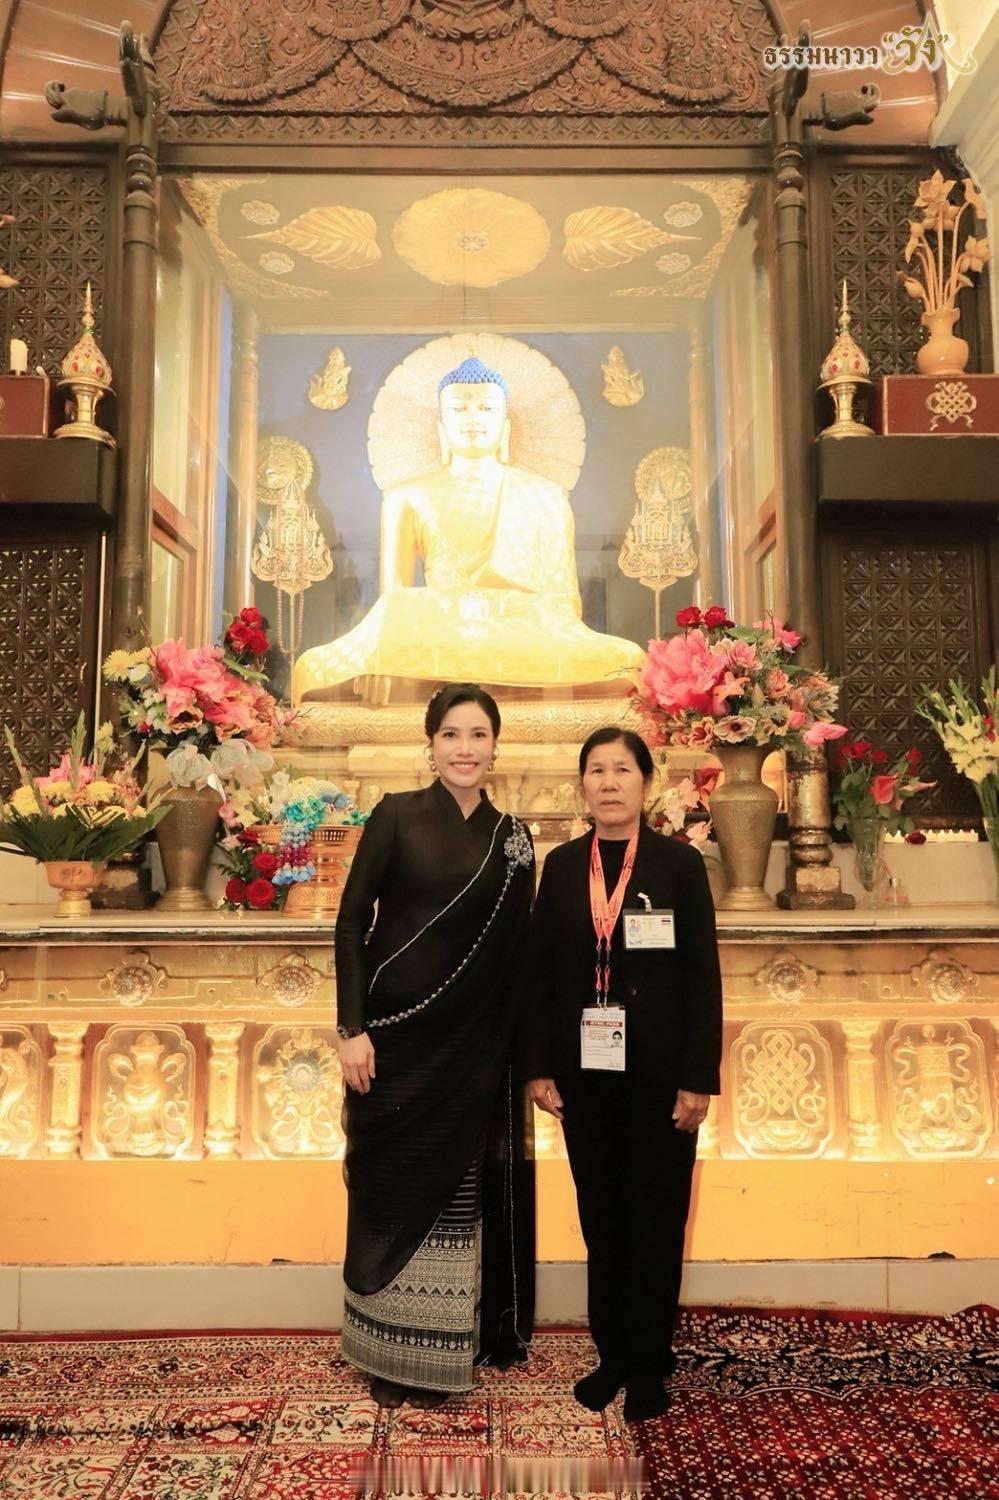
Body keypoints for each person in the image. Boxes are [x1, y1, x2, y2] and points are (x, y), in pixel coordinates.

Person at [334, 683, 536, 1409]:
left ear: (495, 746)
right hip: (389, 1043)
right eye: (451, 734)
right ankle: (381, 1353)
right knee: (386, 1193)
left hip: (470, 1053)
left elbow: (519, 958)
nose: (464, 748)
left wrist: (519, 1057)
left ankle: (436, 1357)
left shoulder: (513, 839)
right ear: (430, 744)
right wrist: (352, 1029)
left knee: (455, 1200)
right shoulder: (395, 815)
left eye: (478, 734)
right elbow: (351, 922)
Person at [522, 726, 722, 1422]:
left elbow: (702, 976)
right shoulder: (561, 865)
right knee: (601, 1217)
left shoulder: (677, 864)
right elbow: (540, 975)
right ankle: (611, 1356)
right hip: (584, 1073)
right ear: (582, 784)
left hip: (661, 1074)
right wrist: (538, 1068)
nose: (608, 783)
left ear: (646, 781)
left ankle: (650, 1364)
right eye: (596, 771)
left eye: (622, 770)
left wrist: (698, 1078)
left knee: (656, 1218)